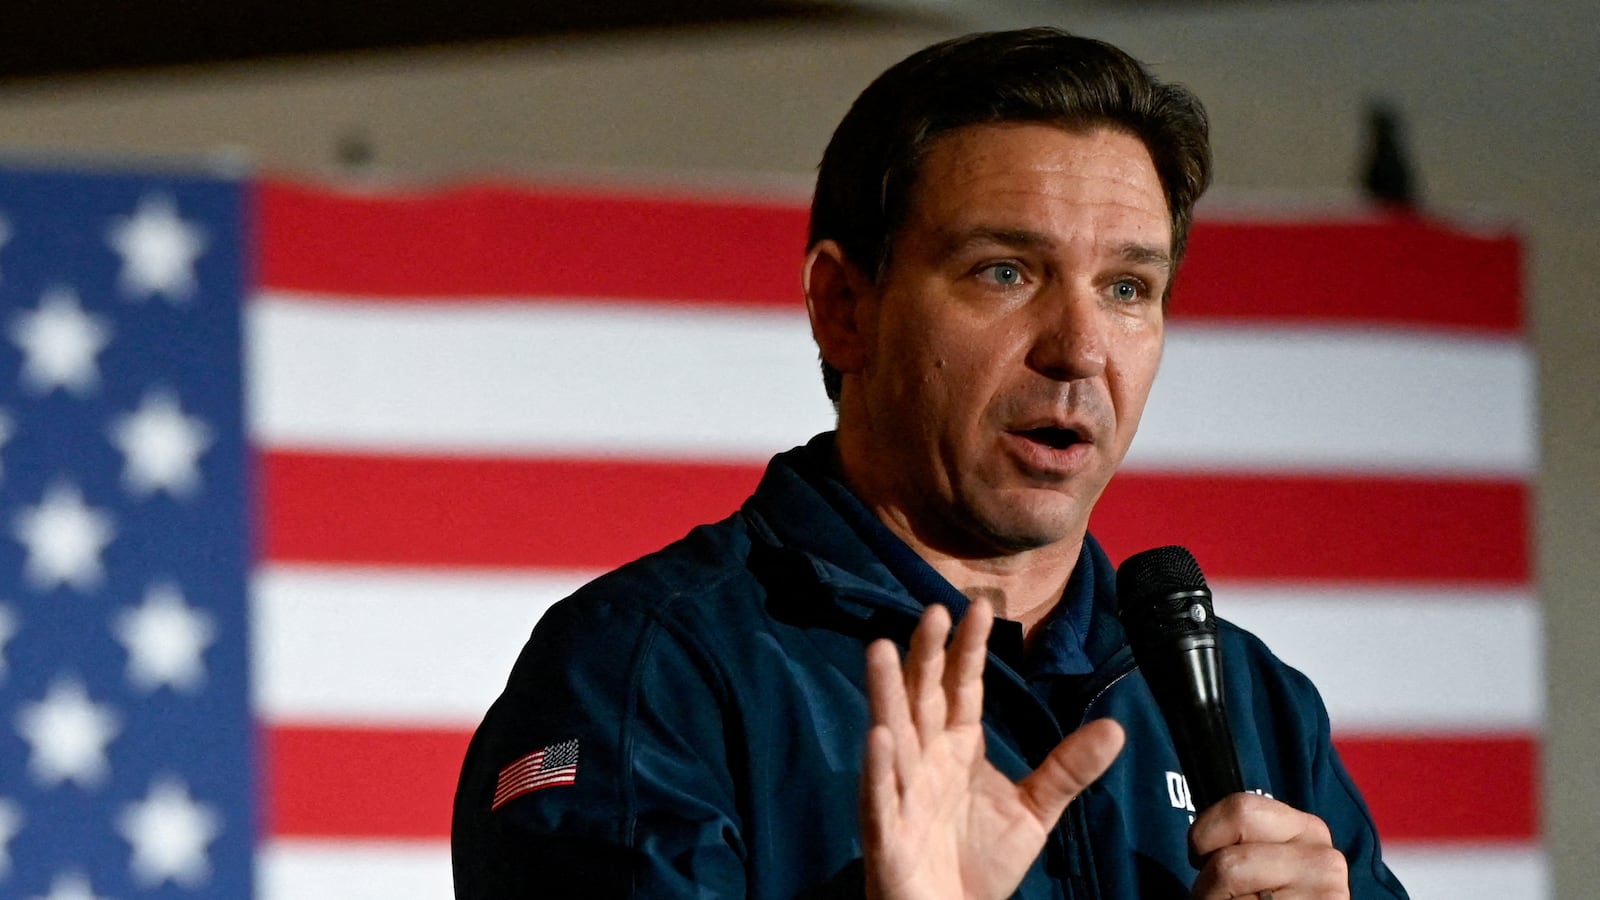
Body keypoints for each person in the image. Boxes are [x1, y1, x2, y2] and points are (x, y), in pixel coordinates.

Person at [452, 27, 1409, 899]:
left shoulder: (1252, 703)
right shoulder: (648, 672)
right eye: (1005, 271)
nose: (1079, 347)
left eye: (1128, 286)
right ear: (844, 307)